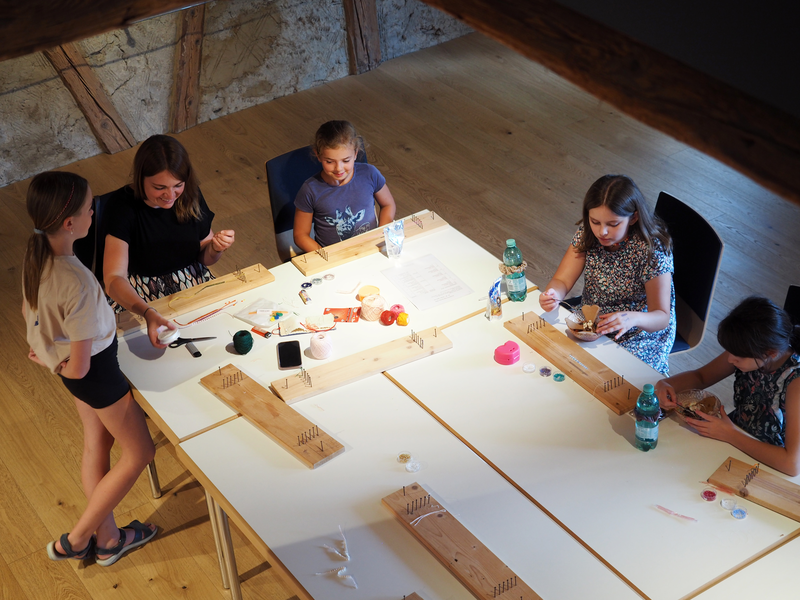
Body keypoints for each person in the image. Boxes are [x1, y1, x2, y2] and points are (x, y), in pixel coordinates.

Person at [22, 172, 157, 566]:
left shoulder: (37, 257)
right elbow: (80, 370)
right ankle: (78, 538)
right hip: (97, 376)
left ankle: (110, 537)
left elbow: (33, 323)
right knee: (141, 452)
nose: (92, 214)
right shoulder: (76, 281)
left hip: (76, 373)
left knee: (96, 445)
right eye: (88, 209)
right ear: (70, 223)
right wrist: (59, 367)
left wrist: (48, 357)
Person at [103, 134, 235, 347]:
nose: (170, 195)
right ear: (140, 178)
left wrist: (215, 248)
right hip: (140, 292)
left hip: (191, 280)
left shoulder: (190, 194)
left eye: (177, 185)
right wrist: (147, 312)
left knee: (218, 337)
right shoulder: (122, 208)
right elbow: (113, 279)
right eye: (159, 187)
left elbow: (205, 257)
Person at [539, 174, 676, 375]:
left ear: (634, 218)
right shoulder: (588, 231)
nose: (602, 232)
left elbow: (662, 317)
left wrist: (631, 319)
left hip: (638, 328)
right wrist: (554, 295)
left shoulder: (651, 251)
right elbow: (561, 280)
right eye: (595, 221)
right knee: (558, 357)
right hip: (593, 318)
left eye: (613, 224)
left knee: (616, 379)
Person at [656, 296, 800, 476]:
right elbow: (701, 376)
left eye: (737, 357)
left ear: (770, 353)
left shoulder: (795, 382)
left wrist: (730, 435)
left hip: (767, 461)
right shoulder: (751, 350)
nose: (730, 360)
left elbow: (791, 464)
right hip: (735, 434)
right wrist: (666, 383)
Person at [293, 120, 396, 252]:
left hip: (371, 248)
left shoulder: (370, 174)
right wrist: (326, 256)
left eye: (346, 160)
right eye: (329, 161)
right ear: (318, 155)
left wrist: (381, 234)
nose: (338, 168)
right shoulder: (310, 190)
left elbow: (388, 204)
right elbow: (300, 235)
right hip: (334, 257)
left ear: (355, 153)